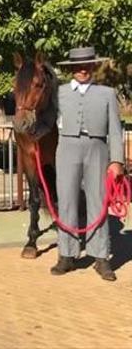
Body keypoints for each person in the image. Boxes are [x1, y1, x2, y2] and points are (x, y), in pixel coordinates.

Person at [51, 47, 125, 281]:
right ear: (71, 68)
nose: (83, 69)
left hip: (98, 148)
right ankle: (67, 255)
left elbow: (115, 129)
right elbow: (45, 122)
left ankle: (101, 257)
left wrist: (117, 161)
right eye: (78, 65)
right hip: (67, 147)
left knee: (98, 201)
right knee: (67, 201)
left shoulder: (107, 93)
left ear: (93, 66)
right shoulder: (58, 93)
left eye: (87, 65)